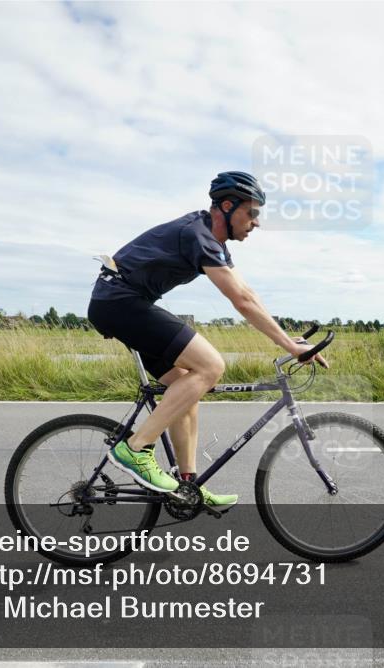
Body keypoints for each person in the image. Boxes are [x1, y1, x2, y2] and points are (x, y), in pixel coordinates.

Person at [87, 171, 327, 508]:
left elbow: (247, 293)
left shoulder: (213, 244)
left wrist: (289, 338)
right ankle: (135, 449)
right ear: (227, 207)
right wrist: (289, 347)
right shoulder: (197, 234)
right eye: (252, 212)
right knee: (211, 366)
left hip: (122, 303)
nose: (256, 222)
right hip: (119, 302)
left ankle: (187, 487)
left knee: (186, 386)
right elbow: (239, 302)